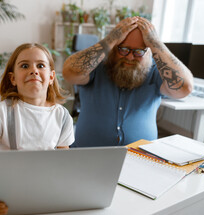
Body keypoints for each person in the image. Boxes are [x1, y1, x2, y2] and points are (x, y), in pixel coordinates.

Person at [0, 43, 75, 215]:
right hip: (10, 200)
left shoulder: (62, 116)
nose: (34, 70)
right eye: (24, 66)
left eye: (40, 65)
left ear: (52, 76)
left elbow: (63, 165)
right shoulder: (1, 112)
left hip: (47, 198)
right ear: (13, 78)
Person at [62, 17, 193, 147]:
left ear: (149, 51)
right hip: (88, 156)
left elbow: (185, 88)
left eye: (139, 51)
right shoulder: (96, 66)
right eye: (123, 50)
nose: (130, 57)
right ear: (114, 46)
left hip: (141, 158)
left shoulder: (155, 71)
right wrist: (110, 39)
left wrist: (156, 44)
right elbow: (69, 73)